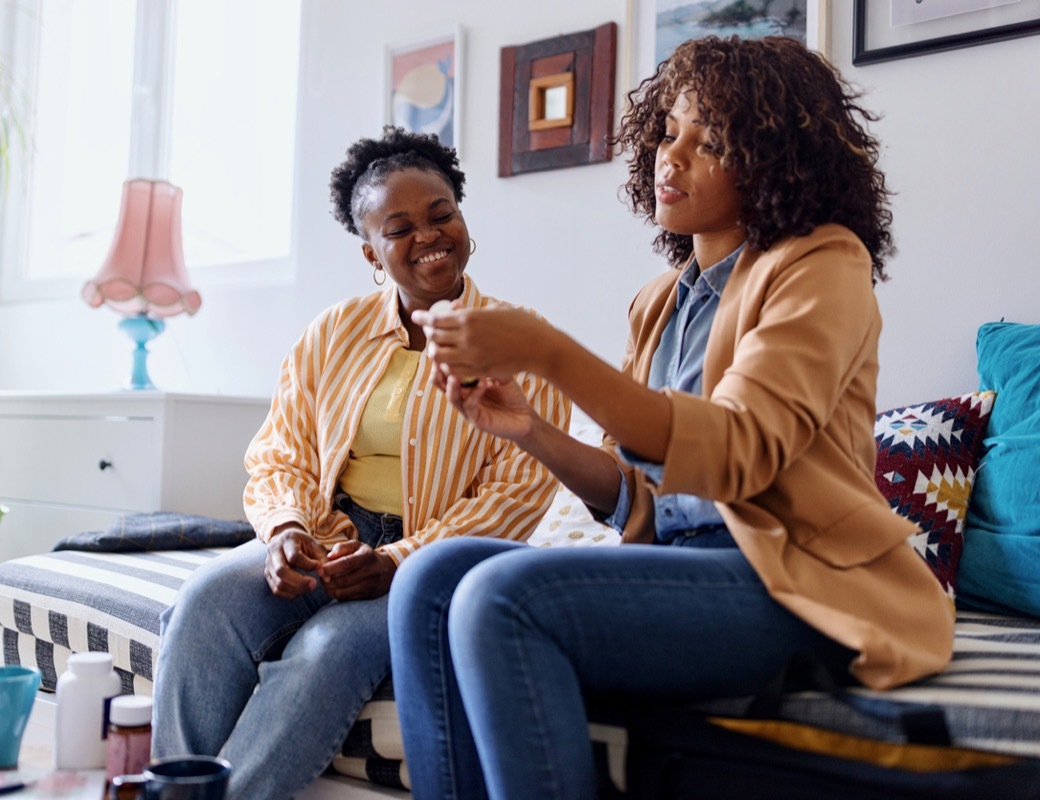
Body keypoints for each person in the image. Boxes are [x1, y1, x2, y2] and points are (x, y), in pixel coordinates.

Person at [389, 36, 954, 800]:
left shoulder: (824, 264)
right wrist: (530, 430)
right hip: (683, 561)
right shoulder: (660, 300)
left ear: (772, 160)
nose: (670, 156)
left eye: (709, 141)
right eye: (668, 132)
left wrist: (552, 353)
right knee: (427, 577)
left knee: (503, 596)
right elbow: (640, 496)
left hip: (790, 581)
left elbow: (738, 451)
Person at [150, 126, 570, 799]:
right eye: (399, 228)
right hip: (325, 538)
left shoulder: (519, 339)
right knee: (204, 603)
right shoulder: (332, 332)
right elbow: (281, 450)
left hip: (429, 563)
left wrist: (399, 560)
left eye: (442, 215)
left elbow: (516, 495)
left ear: (464, 221)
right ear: (371, 251)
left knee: (332, 649)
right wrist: (286, 530)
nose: (429, 236)